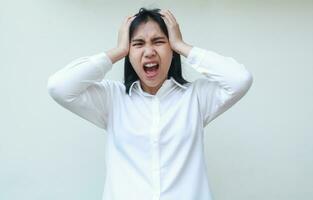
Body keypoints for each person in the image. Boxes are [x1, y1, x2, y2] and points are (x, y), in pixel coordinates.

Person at [47, 8, 253, 200]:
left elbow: (240, 79)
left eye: (158, 41)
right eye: (138, 44)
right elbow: (59, 86)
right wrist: (117, 51)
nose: (149, 52)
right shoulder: (112, 98)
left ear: (171, 49)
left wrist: (182, 45)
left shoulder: (195, 97)